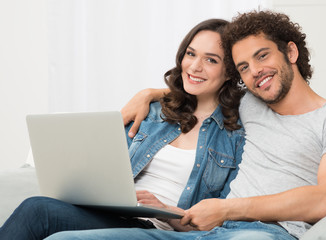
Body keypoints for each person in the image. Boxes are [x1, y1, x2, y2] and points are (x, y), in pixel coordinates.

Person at [43, 10, 326, 240]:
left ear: (290, 51)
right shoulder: (249, 103)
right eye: (244, 67)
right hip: (203, 231)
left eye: (263, 56)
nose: (256, 72)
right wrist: (148, 94)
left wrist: (227, 209)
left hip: (263, 232)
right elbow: (200, 84)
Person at [0, 19, 246, 240]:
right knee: (38, 206)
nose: (194, 66)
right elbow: (107, 166)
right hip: (116, 215)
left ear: (229, 72)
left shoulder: (235, 135)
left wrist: (169, 212)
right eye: (191, 54)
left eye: (211, 60)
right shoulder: (153, 112)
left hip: (160, 227)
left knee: (38, 211)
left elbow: (221, 221)